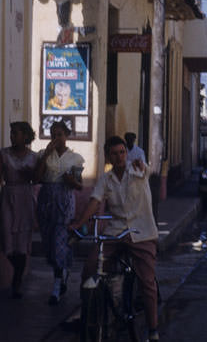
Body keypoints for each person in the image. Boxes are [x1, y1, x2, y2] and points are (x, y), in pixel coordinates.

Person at [71, 136, 159, 341]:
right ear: (107, 156)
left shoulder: (137, 170)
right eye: (114, 154)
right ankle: (87, 313)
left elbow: (145, 169)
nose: (119, 157)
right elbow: (95, 202)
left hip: (141, 232)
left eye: (122, 152)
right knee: (90, 268)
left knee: (147, 281)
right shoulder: (106, 179)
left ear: (126, 154)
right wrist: (79, 224)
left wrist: (142, 165)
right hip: (116, 232)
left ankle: (153, 329)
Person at [35, 120, 84, 305]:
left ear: (66, 135)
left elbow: (79, 186)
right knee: (48, 241)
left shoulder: (75, 158)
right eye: (53, 134)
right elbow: (37, 178)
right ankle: (61, 272)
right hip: (47, 199)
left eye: (60, 134)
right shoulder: (44, 155)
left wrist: (71, 181)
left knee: (59, 242)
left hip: (64, 201)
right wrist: (46, 154)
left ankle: (57, 284)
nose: (56, 138)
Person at [0, 121, 39, 298]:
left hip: (25, 197)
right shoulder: (4, 154)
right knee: (6, 236)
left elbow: (37, 178)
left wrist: (31, 174)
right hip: (8, 196)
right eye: (11, 133)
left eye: (16, 133)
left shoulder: (33, 157)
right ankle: (17, 269)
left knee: (22, 239)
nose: (12, 136)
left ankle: (17, 281)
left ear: (25, 136)